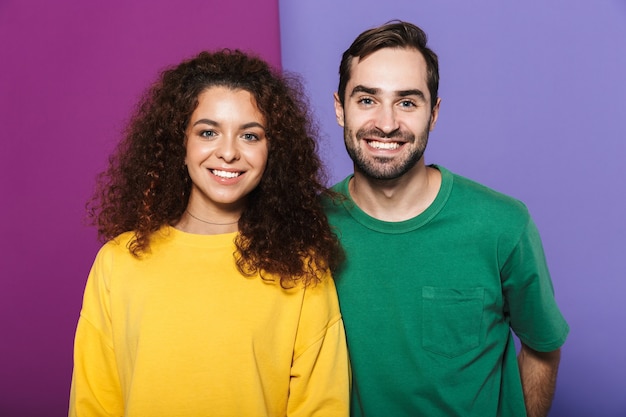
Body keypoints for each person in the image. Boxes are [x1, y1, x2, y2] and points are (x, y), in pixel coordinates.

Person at [69, 49, 350, 417]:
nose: (229, 152)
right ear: (179, 145)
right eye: (208, 132)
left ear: (273, 153)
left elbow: (321, 407)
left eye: (250, 136)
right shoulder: (119, 262)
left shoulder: (302, 268)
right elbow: (93, 403)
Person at [323, 21, 569, 417]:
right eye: (367, 100)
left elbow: (543, 348)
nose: (386, 123)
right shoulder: (308, 227)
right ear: (340, 108)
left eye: (407, 102)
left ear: (433, 113)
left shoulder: (502, 224)